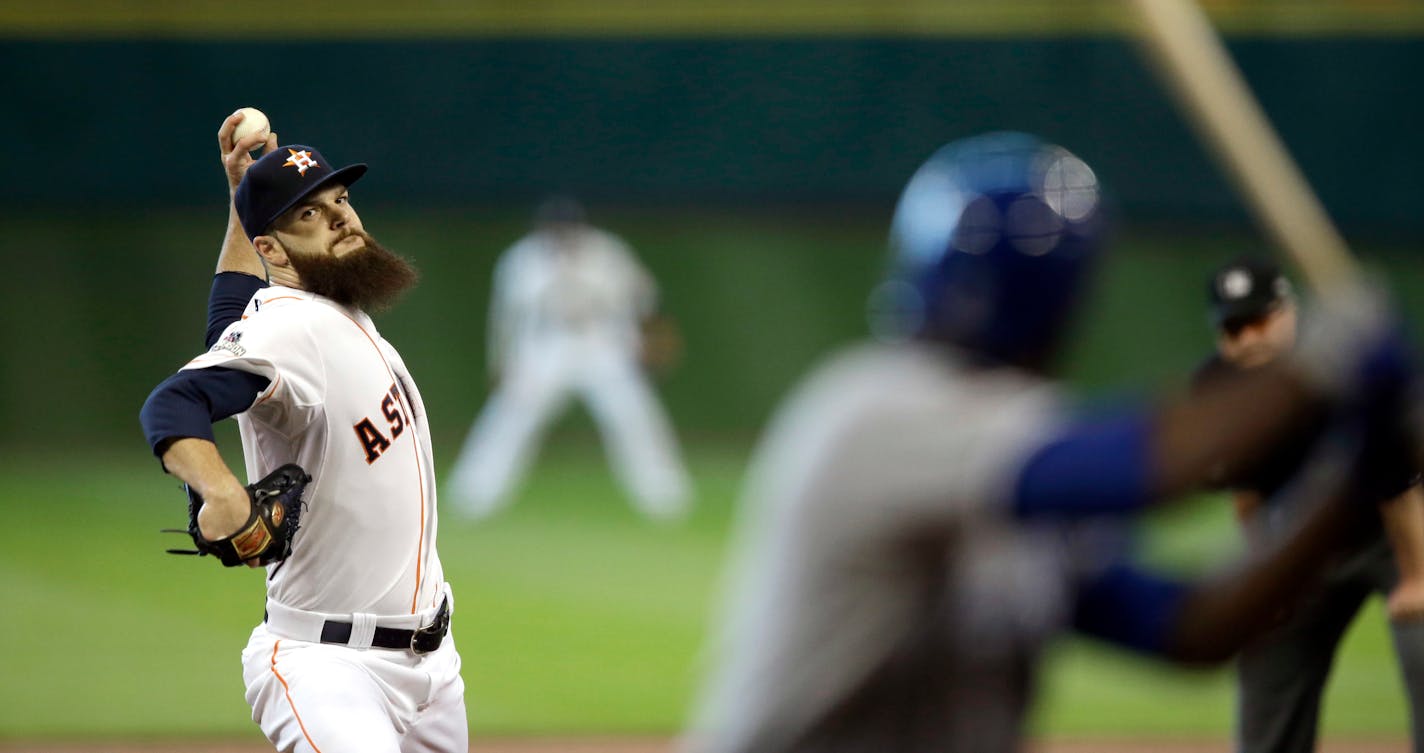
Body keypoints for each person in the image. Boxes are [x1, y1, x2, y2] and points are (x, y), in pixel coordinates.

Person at [681, 131, 1416, 753]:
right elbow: (1151, 468)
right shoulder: (870, 412)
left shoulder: (1017, 458)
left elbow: (1192, 625)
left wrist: (1351, 488)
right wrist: (1324, 362)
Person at [139, 111, 466, 752]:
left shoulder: (325, 309)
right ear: (274, 249)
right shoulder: (294, 329)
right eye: (309, 215)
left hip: (432, 665)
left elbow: (227, 325)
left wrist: (242, 197)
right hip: (330, 669)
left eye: (340, 199)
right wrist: (222, 492)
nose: (342, 217)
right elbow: (174, 402)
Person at [1194, 256, 1424, 753]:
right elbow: (1247, 495)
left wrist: (1417, 579)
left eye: (1259, 320)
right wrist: (1267, 577)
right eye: (1234, 328)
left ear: (1287, 314)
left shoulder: (1347, 371)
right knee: (1267, 644)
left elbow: (1397, 483)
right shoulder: (1220, 387)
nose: (1248, 338)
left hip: (1402, 529)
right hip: (1304, 533)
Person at [446, 196, 692, 521]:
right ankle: (473, 497)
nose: (563, 238)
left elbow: (642, 296)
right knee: (510, 418)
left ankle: (665, 499)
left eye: (568, 230)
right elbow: (506, 318)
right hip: (547, 345)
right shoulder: (522, 259)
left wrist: (646, 336)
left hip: (602, 342)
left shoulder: (607, 252)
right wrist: (503, 361)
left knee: (633, 416)